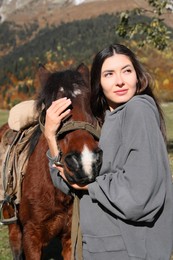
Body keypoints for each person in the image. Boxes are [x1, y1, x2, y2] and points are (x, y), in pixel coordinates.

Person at [44, 44, 173, 260]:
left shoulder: (137, 110)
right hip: (107, 248)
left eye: (127, 71)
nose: (120, 81)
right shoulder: (104, 120)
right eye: (109, 74)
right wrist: (50, 135)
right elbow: (69, 182)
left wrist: (89, 185)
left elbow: (139, 195)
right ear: (99, 82)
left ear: (138, 77)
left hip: (130, 251)